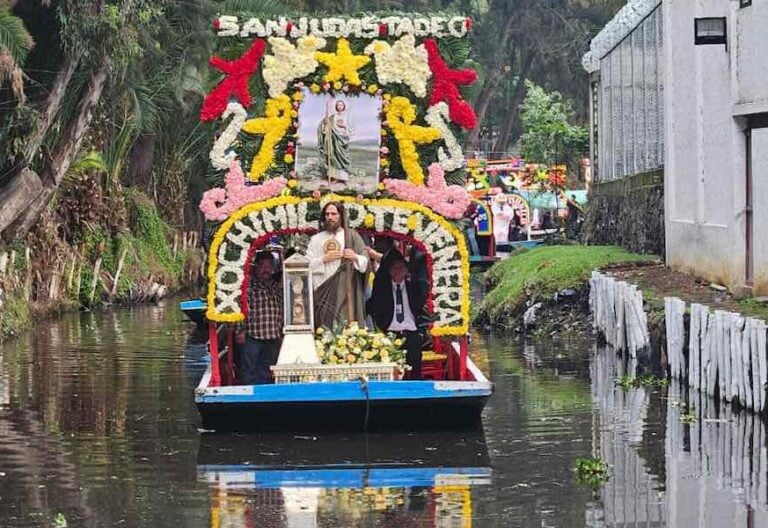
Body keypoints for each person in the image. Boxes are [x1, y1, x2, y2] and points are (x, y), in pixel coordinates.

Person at [307, 201, 369, 328]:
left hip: (345, 291)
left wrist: (354, 256)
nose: (329, 217)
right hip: (322, 290)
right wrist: (323, 259)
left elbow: (365, 261)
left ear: (341, 216)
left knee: (344, 323)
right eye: (327, 214)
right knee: (324, 327)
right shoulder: (316, 239)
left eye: (333, 214)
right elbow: (306, 265)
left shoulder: (351, 236)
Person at [367, 251, 428, 380]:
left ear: (406, 270)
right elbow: (373, 308)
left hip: (411, 333)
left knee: (415, 366)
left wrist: (422, 331)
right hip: (390, 334)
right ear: (389, 271)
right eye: (394, 267)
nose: (398, 271)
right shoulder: (382, 289)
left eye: (401, 267)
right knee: (390, 367)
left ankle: (415, 389)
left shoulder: (414, 287)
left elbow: (422, 304)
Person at [235, 251, 283, 385]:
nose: (265, 270)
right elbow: (240, 308)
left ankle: (264, 394)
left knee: (267, 369)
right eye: (262, 266)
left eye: (269, 266)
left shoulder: (276, 286)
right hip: (253, 334)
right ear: (256, 267)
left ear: (273, 268)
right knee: (249, 368)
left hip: (273, 334)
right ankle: (248, 395)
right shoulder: (248, 286)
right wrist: (240, 331)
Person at [317, 99, 352, 182]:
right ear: (336, 106)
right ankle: (335, 177)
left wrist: (344, 126)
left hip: (342, 140)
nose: (340, 106)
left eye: (341, 105)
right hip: (333, 140)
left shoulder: (347, 117)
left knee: (342, 157)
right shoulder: (332, 117)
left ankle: (343, 177)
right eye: (338, 105)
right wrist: (325, 120)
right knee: (333, 157)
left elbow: (350, 129)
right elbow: (325, 124)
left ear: (344, 107)